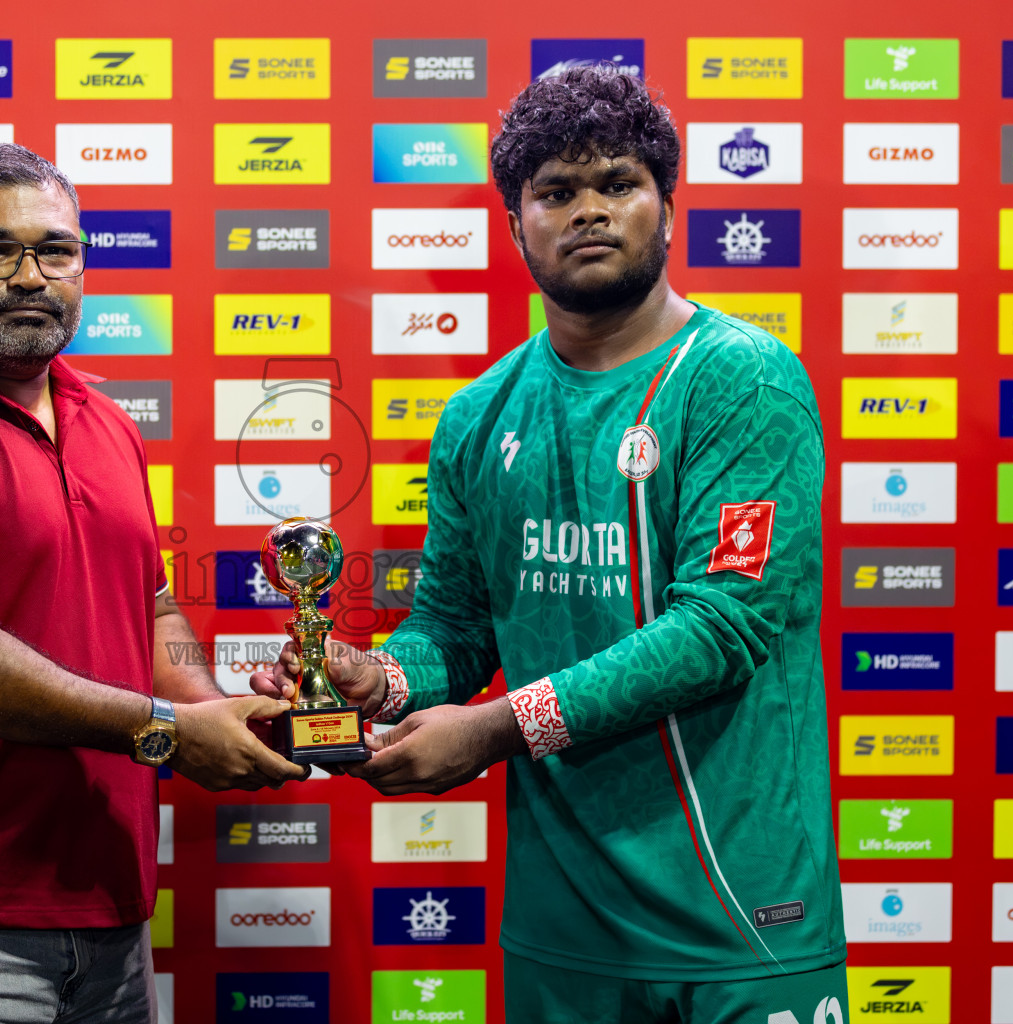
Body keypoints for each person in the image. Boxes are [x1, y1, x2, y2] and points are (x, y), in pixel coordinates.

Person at [254, 66, 848, 1023]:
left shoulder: (743, 380)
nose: (589, 211)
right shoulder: (477, 416)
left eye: (618, 183)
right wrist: (379, 681)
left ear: (667, 203)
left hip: (738, 914)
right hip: (560, 923)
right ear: (515, 224)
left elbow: (723, 625)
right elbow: (454, 627)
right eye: (556, 192)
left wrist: (492, 731)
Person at [0, 142, 305, 1024]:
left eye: (57, 249)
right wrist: (167, 734)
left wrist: (213, 706)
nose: (31, 275)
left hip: (106, 909)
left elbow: (146, 606)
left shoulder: (104, 420)